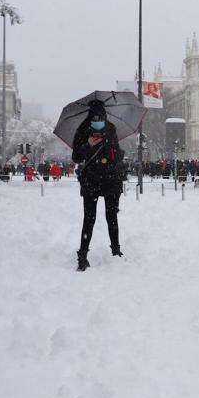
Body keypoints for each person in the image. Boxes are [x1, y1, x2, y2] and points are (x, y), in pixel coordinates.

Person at [71, 99, 126, 272]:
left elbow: (117, 153)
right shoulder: (83, 129)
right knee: (89, 218)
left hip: (111, 177)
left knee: (112, 216)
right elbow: (76, 157)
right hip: (92, 179)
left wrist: (110, 150)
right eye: (95, 118)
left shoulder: (111, 128)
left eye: (100, 117)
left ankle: (116, 250)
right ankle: (83, 255)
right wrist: (88, 145)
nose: (98, 121)